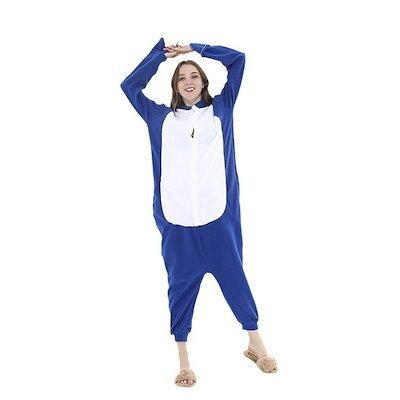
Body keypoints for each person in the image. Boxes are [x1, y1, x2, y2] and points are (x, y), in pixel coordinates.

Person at [120, 37, 277, 387]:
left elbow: (238, 59)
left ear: (204, 82)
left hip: (218, 216)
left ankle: (256, 344)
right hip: (176, 222)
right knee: (179, 287)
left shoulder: (222, 109)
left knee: (234, 278)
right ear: (175, 86)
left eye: (194, 76)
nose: (188, 81)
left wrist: (195, 49)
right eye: (181, 78)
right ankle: (184, 360)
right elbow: (129, 86)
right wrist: (160, 56)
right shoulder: (159, 117)